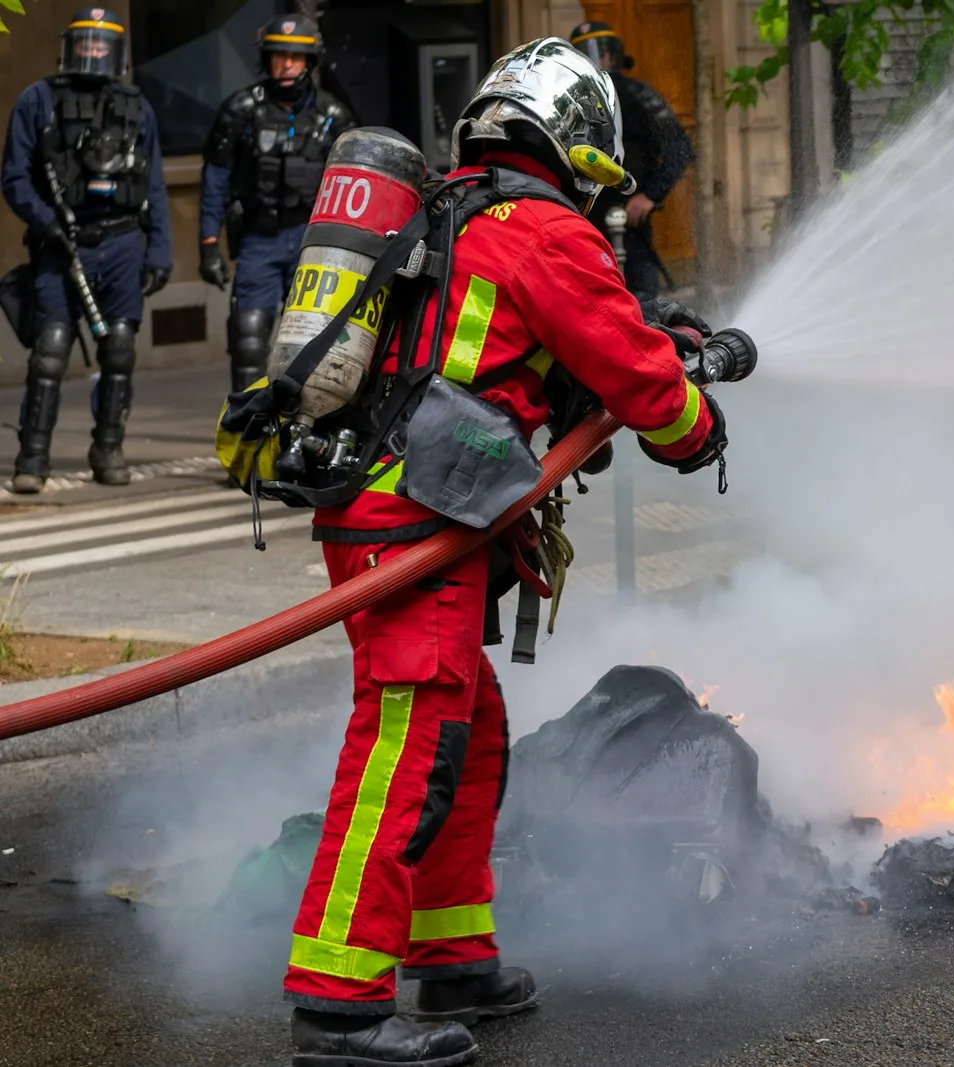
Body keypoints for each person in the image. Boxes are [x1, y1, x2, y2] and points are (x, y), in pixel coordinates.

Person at [280, 38, 727, 1067]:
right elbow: (641, 385)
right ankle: (338, 1001)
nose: (598, 189)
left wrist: (664, 339)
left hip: (399, 515)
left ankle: (452, 953)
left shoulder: (459, 209)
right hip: (412, 526)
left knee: (466, 733)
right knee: (405, 744)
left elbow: (558, 341)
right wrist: (695, 426)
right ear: (572, 142)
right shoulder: (542, 230)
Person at [1, 7, 172, 492]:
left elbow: (154, 184)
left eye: (102, 45)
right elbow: (14, 176)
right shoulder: (38, 100)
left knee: (119, 350)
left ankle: (108, 449)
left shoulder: (138, 107)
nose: (93, 52)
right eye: (85, 43)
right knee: (50, 352)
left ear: (115, 53)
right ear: (69, 47)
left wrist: (159, 250)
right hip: (61, 242)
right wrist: (44, 221)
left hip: (121, 243)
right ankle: (32, 459)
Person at [199, 15, 355, 392]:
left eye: (295, 57)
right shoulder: (241, 110)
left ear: (309, 62)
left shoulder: (334, 117)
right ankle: (246, 429)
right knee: (249, 337)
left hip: (313, 242)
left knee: (316, 342)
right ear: (266, 60)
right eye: (278, 56)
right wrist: (207, 244)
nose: (286, 65)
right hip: (259, 237)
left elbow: (354, 183)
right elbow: (215, 176)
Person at [567, 21, 692, 299]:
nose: (594, 61)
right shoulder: (569, 101)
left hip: (629, 219)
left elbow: (679, 148)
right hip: (580, 219)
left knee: (643, 299)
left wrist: (650, 195)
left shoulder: (637, 94)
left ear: (612, 56)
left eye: (598, 52)